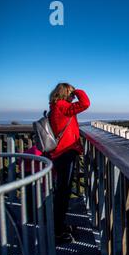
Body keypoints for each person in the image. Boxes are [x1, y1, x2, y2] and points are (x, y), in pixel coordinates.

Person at [48, 83, 90, 243]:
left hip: (60, 153)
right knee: (63, 192)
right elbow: (85, 103)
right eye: (71, 93)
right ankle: (58, 231)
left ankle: (59, 226)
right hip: (65, 153)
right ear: (66, 93)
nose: (73, 97)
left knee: (62, 191)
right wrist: (77, 90)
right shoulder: (62, 106)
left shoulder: (55, 106)